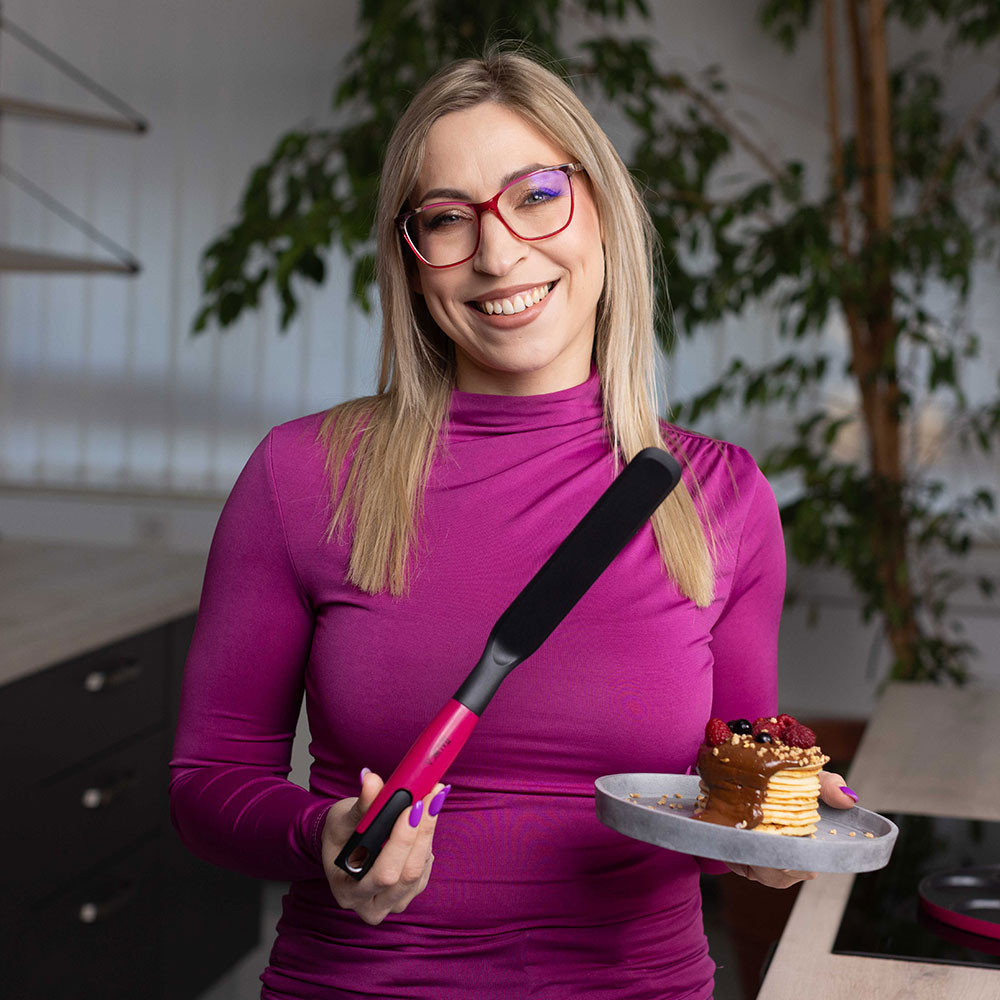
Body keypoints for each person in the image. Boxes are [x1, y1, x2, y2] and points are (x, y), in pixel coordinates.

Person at [169, 47, 858, 1000]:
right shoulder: (303, 476)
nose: (498, 254)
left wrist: (774, 838)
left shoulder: (718, 496)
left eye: (536, 196)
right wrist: (318, 835)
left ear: (604, 210)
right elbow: (207, 781)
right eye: (448, 218)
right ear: (411, 259)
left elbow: (717, 808)